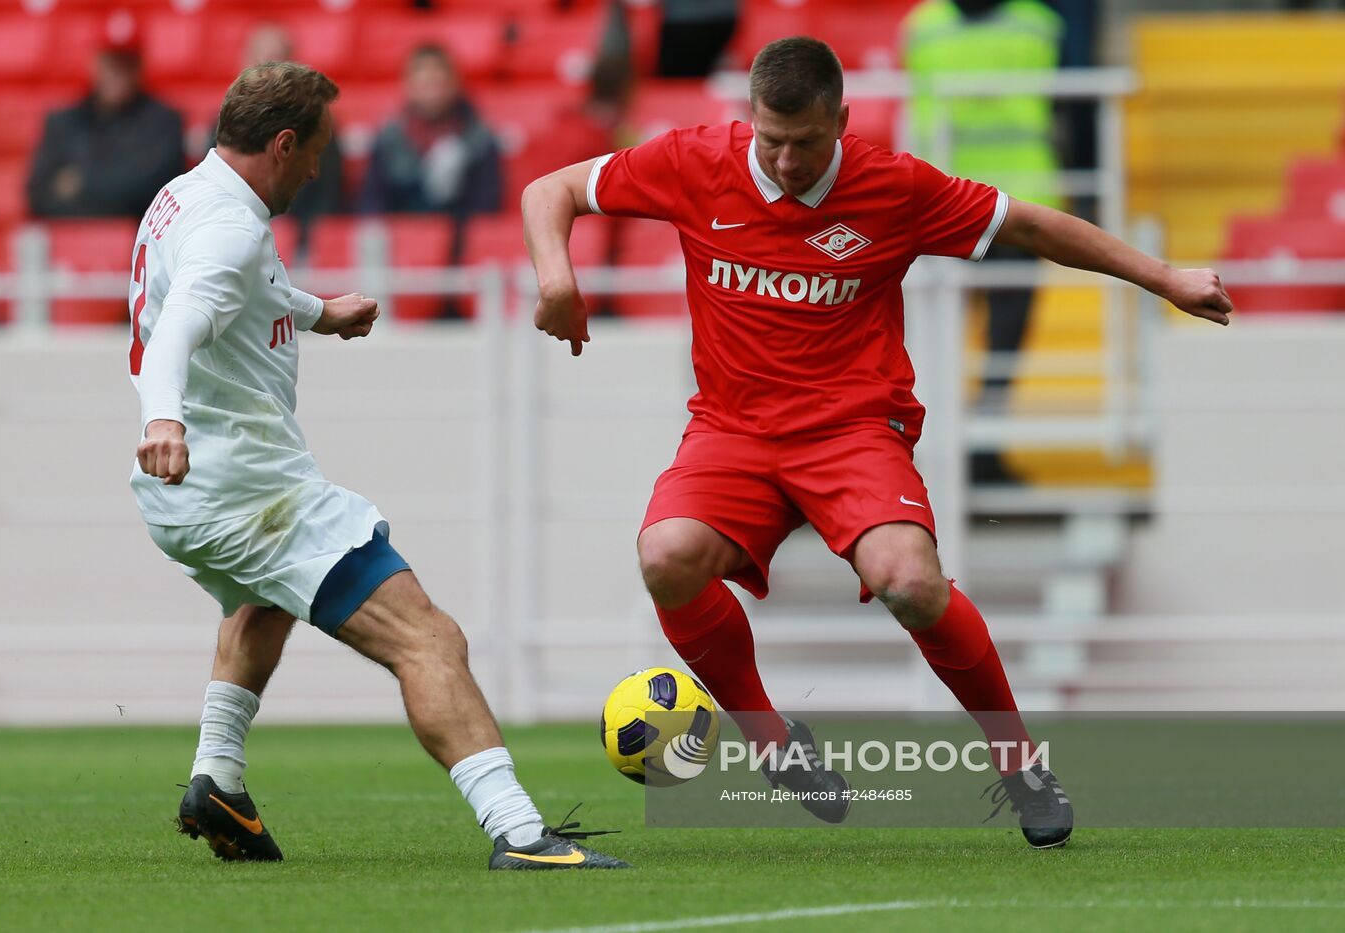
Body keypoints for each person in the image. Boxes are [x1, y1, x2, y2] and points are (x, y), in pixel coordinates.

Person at [522, 37, 1232, 848]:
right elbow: (553, 189)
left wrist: (1165, 277)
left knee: (910, 583)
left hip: (853, 431)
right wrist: (557, 280)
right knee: (665, 557)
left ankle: (1019, 760)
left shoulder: (892, 186)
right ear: (749, 120)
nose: (787, 161)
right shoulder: (693, 161)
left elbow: (1031, 226)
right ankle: (773, 741)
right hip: (733, 429)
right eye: (771, 140)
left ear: (843, 121)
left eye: (806, 142)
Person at [129, 61, 625, 871]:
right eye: (317, 151)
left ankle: (217, 778)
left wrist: (321, 313)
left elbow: (231, 289)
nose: (322, 168)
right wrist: (164, 418)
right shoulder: (231, 227)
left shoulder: (186, 195)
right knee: (429, 638)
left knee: (266, 598)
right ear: (283, 144)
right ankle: (522, 832)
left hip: (200, 492)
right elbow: (184, 321)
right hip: (248, 487)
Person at [903, 0, 1064, 485]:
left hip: (988, 202)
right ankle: (959, 447)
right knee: (970, 336)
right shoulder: (1036, 24)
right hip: (975, 202)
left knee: (992, 338)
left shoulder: (922, 27)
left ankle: (980, 447)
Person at [206, 23, 346, 259]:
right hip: (235, 239)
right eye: (261, 63)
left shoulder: (318, 124)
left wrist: (297, 237)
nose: (268, 73)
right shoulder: (222, 124)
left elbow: (327, 198)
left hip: (301, 247)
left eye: (278, 63)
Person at [26, 35, 184, 218]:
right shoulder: (63, 122)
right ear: (94, 64)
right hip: (72, 238)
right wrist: (121, 180)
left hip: (139, 240)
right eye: (111, 63)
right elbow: (37, 195)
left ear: (140, 67)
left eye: (126, 64)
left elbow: (154, 192)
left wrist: (81, 183)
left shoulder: (164, 123)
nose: (117, 73)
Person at [360, 43, 503, 216]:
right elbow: (373, 200)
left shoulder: (479, 139)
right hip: (402, 234)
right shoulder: (389, 138)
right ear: (409, 86)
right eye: (424, 83)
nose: (431, 93)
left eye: (437, 82)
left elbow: (487, 206)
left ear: (453, 83)